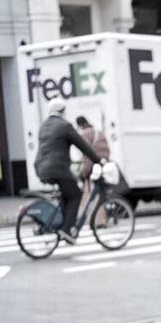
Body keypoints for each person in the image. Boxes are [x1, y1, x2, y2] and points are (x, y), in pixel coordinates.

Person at [34, 100, 103, 245]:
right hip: (57, 168)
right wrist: (97, 160)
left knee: (67, 193)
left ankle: (60, 225)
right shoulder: (64, 126)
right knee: (76, 195)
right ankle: (66, 231)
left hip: (41, 168)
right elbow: (83, 146)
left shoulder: (43, 126)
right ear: (61, 111)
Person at [75, 116, 110, 192]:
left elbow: (87, 154)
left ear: (79, 125)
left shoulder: (84, 134)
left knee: (90, 191)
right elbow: (107, 149)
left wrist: (84, 173)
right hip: (104, 163)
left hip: (94, 166)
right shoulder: (99, 132)